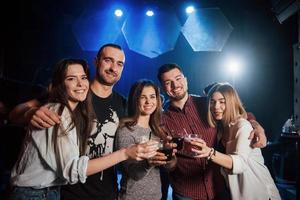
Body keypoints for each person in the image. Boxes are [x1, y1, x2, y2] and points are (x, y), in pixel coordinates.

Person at [9, 58, 157, 200]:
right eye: (108, 60)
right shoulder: (61, 106)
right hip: (53, 192)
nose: (113, 67)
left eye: (119, 63)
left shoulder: (122, 103)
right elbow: (15, 114)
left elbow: (144, 118)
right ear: (97, 61)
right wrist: (29, 113)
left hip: (97, 190)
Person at [157, 63, 267, 200]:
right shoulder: (161, 119)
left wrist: (255, 124)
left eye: (178, 79)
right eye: (168, 82)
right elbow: (168, 164)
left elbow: (236, 112)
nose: (175, 85)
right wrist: (169, 159)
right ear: (163, 88)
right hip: (187, 193)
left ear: (185, 80)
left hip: (220, 187)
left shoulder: (208, 103)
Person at [192, 83, 280, 200]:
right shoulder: (220, 129)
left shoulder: (242, 126)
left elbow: (240, 164)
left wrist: (209, 153)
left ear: (231, 102)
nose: (216, 106)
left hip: (259, 193)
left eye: (222, 102)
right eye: (212, 102)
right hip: (237, 193)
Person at [115, 79, 176, 200]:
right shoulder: (126, 130)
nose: (149, 101)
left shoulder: (158, 130)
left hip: (156, 196)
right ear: (135, 100)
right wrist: (149, 162)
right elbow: (134, 174)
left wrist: (170, 157)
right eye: (143, 97)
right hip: (132, 197)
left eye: (152, 97)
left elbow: (170, 167)